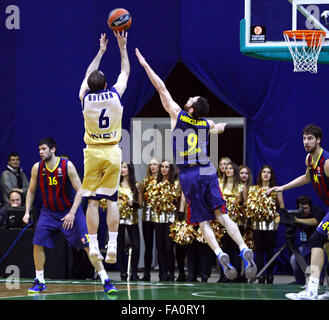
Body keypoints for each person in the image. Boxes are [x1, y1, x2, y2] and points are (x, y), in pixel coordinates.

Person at [135, 48, 257, 281]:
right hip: (208, 171)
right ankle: (242, 248)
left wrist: (145, 65)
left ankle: (219, 252)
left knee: (202, 220)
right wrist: (220, 127)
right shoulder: (204, 123)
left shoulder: (178, 115)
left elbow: (161, 87)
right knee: (222, 215)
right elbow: (218, 127)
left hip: (189, 175)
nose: (188, 98)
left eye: (191, 99)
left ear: (191, 108)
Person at [22, 138, 117, 294]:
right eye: (39, 149)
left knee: (88, 245)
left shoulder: (67, 166)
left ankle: (105, 280)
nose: (41, 152)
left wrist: (72, 213)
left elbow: (81, 190)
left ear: (53, 149)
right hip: (49, 212)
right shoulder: (36, 168)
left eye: (44, 149)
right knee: (37, 243)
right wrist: (26, 212)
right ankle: (39, 280)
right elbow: (31, 191)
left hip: (70, 210)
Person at [78, 31, 130, 266]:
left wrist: (100, 52)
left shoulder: (85, 98)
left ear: (90, 85)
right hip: (112, 151)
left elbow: (88, 75)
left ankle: (95, 247)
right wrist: (122, 47)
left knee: (91, 201)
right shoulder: (115, 95)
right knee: (111, 201)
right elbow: (125, 72)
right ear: (107, 85)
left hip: (92, 152)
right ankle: (113, 246)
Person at [267, 124, 329, 299]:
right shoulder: (309, 159)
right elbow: (307, 177)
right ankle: (314, 290)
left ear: (318, 140)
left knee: (317, 239)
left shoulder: (327, 163)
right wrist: (282, 187)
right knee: (321, 243)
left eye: (310, 138)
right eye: (304, 138)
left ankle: (312, 290)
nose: (306, 142)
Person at [152, 160, 179, 281]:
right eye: (162, 167)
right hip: (158, 218)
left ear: (170, 169)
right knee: (159, 247)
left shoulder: (175, 184)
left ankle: (171, 272)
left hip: (171, 218)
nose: (164, 169)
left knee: (169, 247)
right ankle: (162, 273)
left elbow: (178, 201)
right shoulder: (156, 183)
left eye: (166, 167)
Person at [290, 195, 327, 285]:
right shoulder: (298, 214)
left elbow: (315, 221)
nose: (304, 210)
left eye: (305, 208)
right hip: (306, 245)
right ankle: (300, 282)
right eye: (301, 208)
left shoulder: (318, 211)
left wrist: (297, 220)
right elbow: (292, 229)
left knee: (322, 257)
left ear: (310, 206)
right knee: (294, 258)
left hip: (320, 244)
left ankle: (319, 282)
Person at [117, 162, 142, 281]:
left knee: (136, 245)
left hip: (132, 219)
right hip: (118, 220)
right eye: (121, 167)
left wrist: (133, 204)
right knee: (120, 246)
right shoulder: (116, 185)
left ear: (130, 170)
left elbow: (141, 204)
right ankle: (123, 272)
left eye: (125, 167)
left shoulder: (136, 186)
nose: (122, 169)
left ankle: (134, 272)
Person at [140, 158, 159, 281]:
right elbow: (141, 203)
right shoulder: (145, 182)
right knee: (148, 246)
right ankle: (146, 273)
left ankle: (164, 273)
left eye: (155, 164)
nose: (152, 166)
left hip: (160, 218)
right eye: (151, 164)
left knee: (161, 246)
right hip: (146, 217)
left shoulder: (164, 182)